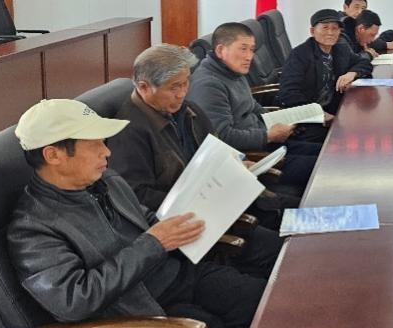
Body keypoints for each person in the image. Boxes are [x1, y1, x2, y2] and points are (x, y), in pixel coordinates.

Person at [7, 98, 372, 328]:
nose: (107, 152)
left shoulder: (106, 183)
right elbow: (74, 300)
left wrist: (190, 216)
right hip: (140, 318)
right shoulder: (33, 227)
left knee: (271, 305)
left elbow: (146, 223)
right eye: (95, 145)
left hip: (178, 277)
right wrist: (153, 242)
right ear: (54, 155)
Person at [106, 44, 288, 268]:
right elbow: (135, 196)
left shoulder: (188, 110)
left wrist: (236, 163)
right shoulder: (129, 133)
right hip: (196, 226)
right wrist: (196, 195)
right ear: (144, 87)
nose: (182, 93)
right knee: (285, 252)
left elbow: (216, 149)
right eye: (174, 87)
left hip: (229, 202)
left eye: (186, 83)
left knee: (295, 229)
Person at [186, 22, 318, 188]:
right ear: (220, 50)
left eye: (251, 49)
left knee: (326, 152)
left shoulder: (232, 70)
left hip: (264, 138)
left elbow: (251, 104)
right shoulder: (209, 85)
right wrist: (268, 136)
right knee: (322, 167)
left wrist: (275, 119)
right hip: (254, 156)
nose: (249, 56)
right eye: (243, 49)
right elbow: (222, 137)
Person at [278, 8, 373, 140]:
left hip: (332, 108)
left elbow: (364, 63)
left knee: (364, 124)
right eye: (325, 28)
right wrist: (319, 113)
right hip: (307, 118)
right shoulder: (299, 55)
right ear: (312, 31)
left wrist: (352, 73)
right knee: (347, 137)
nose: (330, 33)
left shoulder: (340, 50)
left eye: (335, 28)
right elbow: (288, 94)